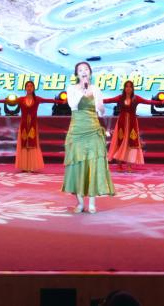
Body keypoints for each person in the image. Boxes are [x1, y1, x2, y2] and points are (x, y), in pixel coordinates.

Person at [61, 61, 114, 213]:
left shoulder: (96, 89)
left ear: (90, 73)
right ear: (77, 74)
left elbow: (101, 111)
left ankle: (91, 203)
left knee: (93, 164)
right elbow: (73, 105)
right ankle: (79, 203)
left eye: (86, 69)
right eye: (80, 70)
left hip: (93, 130)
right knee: (76, 166)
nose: (83, 72)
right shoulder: (71, 88)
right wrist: (83, 91)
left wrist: (101, 107)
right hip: (77, 130)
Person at [0, 81, 64, 173]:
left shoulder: (37, 99)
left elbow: (49, 100)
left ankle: (32, 165)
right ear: (25, 88)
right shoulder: (21, 99)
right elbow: (8, 101)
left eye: (31, 86)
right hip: (23, 125)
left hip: (33, 125)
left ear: (34, 88)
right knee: (24, 145)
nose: (29, 87)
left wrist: (60, 101)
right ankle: (24, 165)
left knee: (32, 144)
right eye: (27, 86)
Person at [103, 80, 164, 173]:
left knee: (131, 144)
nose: (128, 88)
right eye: (126, 86)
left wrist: (160, 103)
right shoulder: (120, 97)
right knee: (119, 143)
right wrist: (94, 100)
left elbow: (148, 102)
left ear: (132, 89)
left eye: (130, 86)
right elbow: (108, 100)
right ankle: (119, 165)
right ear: (124, 88)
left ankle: (129, 166)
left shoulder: (136, 98)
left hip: (132, 124)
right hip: (121, 124)